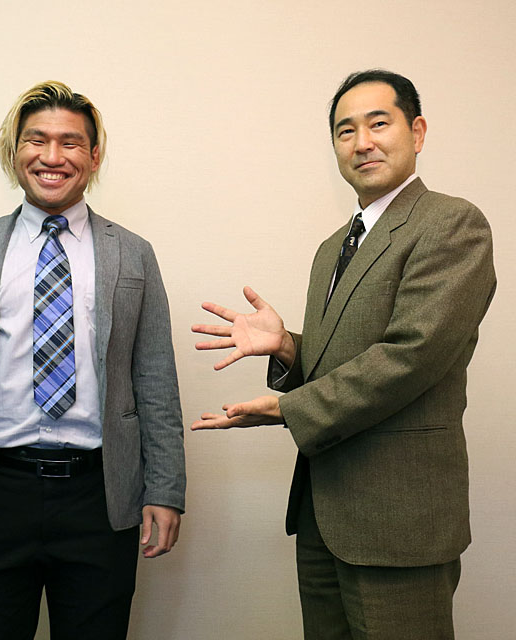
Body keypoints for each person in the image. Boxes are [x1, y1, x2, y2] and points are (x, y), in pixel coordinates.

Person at [192, 70, 495, 639]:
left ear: (417, 132)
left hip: (400, 520)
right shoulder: (333, 247)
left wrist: (288, 408)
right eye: (345, 131)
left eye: (379, 123)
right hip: (323, 513)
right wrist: (288, 347)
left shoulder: (451, 223)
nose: (362, 142)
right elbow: (348, 361)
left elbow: (412, 355)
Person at [0, 81, 185, 640]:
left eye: (70, 143)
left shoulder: (133, 253)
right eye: (37, 140)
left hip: (99, 497)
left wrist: (165, 489)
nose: (53, 157)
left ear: (94, 156)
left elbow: (155, 380)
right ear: (15, 152)